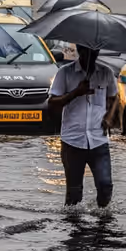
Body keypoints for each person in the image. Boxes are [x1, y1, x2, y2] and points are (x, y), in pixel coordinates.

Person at [47, 44, 118, 208]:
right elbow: (51, 103)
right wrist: (75, 93)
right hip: (72, 141)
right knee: (74, 194)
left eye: (95, 51)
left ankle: (102, 224)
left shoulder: (106, 72)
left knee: (105, 185)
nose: (91, 55)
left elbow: (114, 98)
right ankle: (74, 228)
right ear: (80, 50)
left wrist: (109, 116)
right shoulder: (65, 73)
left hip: (98, 140)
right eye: (87, 51)